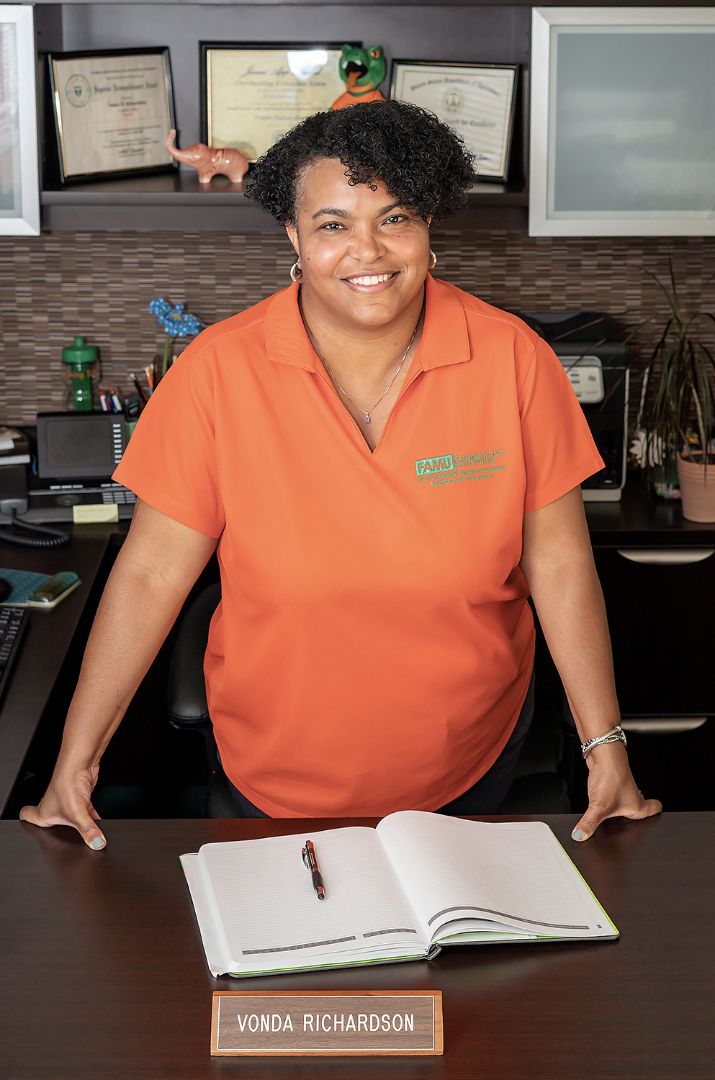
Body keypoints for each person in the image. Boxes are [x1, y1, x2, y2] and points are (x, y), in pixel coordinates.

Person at [20, 101, 660, 849]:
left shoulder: (513, 359)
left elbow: (556, 560)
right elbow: (153, 570)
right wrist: (77, 758)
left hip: (471, 760)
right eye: (332, 225)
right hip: (273, 773)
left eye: (395, 219)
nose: (368, 251)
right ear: (293, 236)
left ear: (428, 228)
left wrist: (603, 746)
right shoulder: (217, 372)